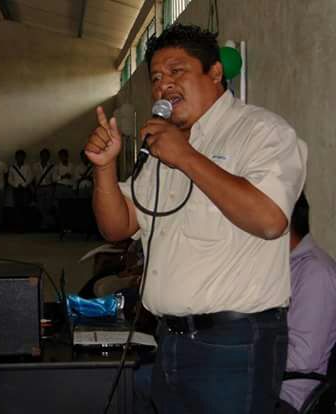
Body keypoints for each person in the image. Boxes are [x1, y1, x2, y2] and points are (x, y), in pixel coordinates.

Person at [85, 24, 307, 414]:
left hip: (234, 345)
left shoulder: (260, 132)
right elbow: (118, 226)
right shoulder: (162, 149)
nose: (163, 85)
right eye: (155, 77)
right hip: (169, 342)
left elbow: (270, 219)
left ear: (215, 73)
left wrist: (186, 157)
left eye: (177, 71)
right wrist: (103, 168)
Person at [277, 193, 336, 413]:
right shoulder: (283, 268)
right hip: (266, 385)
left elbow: (302, 359)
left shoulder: (315, 272)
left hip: (287, 396)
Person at [8, 150, 33, 232]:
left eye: (21, 156)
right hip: (16, 190)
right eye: (18, 156)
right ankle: (18, 226)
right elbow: (9, 179)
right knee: (17, 208)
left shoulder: (27, 167)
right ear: (15, 157)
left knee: (25, 207)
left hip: (25, 190)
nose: (20, 158)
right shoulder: (12, 167)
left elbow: (30, 177)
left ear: (24, 157)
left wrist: (23, 185)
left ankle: (25, 226)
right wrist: (16, 185)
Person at [33, 148, 55, 230]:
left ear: (48, 157)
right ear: (40, 156)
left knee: (48, 206)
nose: (44, 157)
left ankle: (44, 224)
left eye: (46, 155)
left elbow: (53, 179)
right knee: (40, 206)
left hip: (49, 187)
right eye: (43, 155)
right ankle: (49, 221)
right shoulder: (35, 165)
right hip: (39, 187)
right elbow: (33, 177)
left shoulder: (52, 166)